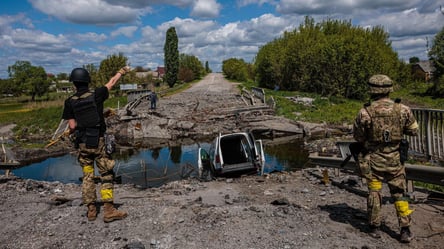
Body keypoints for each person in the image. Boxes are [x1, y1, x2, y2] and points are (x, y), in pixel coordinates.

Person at [353, 74, 419, 243]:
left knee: (374, 192)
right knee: (399, 193)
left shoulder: (365, 112)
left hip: (373, 161)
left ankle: (374, 227)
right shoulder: (403, 109)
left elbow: (358, 137)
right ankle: (405, 230)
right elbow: (414, 130)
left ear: (371, 90)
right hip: (395, 160)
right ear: (390, 88)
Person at [62, 66, 130, 222]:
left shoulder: (69, 102)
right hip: (98, 142)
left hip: (82, 144)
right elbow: (111, 83)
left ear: (74, 84)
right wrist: (121, 71)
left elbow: (72, 127)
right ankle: (109, 210)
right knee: (106, 175)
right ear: (87, 81)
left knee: (87, 176)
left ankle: (91, 211)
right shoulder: (97, 94)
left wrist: (72, 130)